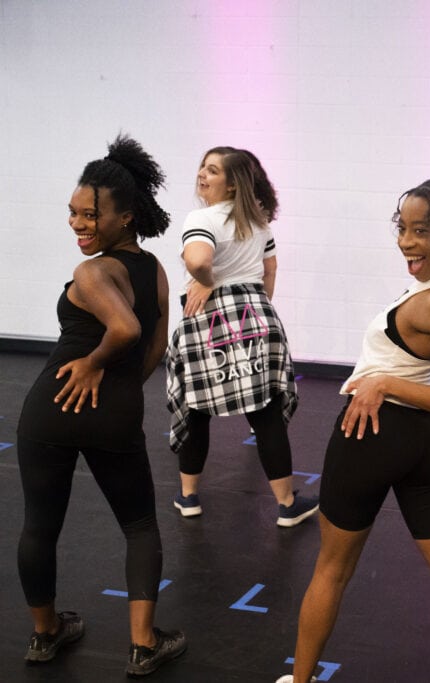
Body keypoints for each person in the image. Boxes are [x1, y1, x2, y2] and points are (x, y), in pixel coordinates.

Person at [284, 168, 430, 683]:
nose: (407, 243)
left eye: (422, 230)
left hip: (370, 436)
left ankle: (299, 681)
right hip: (426, 442)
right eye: (403, 228)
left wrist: (385, 384)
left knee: (331, 569)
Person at [16, 134, 187, 675]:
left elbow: (125, 327)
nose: (77, 223)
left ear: (126, 217)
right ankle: (143, 644)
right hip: (113, 411)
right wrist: (118, 385)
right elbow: (154, 343)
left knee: (40, 526)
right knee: (139, 525)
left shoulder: (92, 272)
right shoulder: (154, 269)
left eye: (90, 214)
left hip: (51, 404)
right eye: (72, 213)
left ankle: (46, 635)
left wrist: (91, 365)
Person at [166, 146, 318, 527]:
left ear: (232, 185)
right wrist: (252, 302)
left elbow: (198, 261)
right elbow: (270, 271)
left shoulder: (200, 218)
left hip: (206, 318)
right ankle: (286, 504)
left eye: (213, 170)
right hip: (256, 317)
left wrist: (209, 282)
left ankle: (188, 497)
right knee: (265, 413)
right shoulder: (259, 222)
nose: (202, 174)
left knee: (197, 409)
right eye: (202, 166)